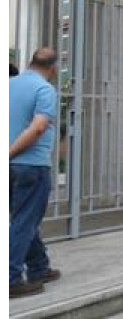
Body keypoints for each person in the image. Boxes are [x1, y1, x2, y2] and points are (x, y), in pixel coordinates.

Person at [10, 48, 62, 298]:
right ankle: (10, 278)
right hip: (31, 165)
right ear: (53, 68)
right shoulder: (45, 89)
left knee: (24, 218)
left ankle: (39, 267)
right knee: (24, 221)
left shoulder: (10, 85)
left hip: (10, 167)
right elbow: (39, 126)